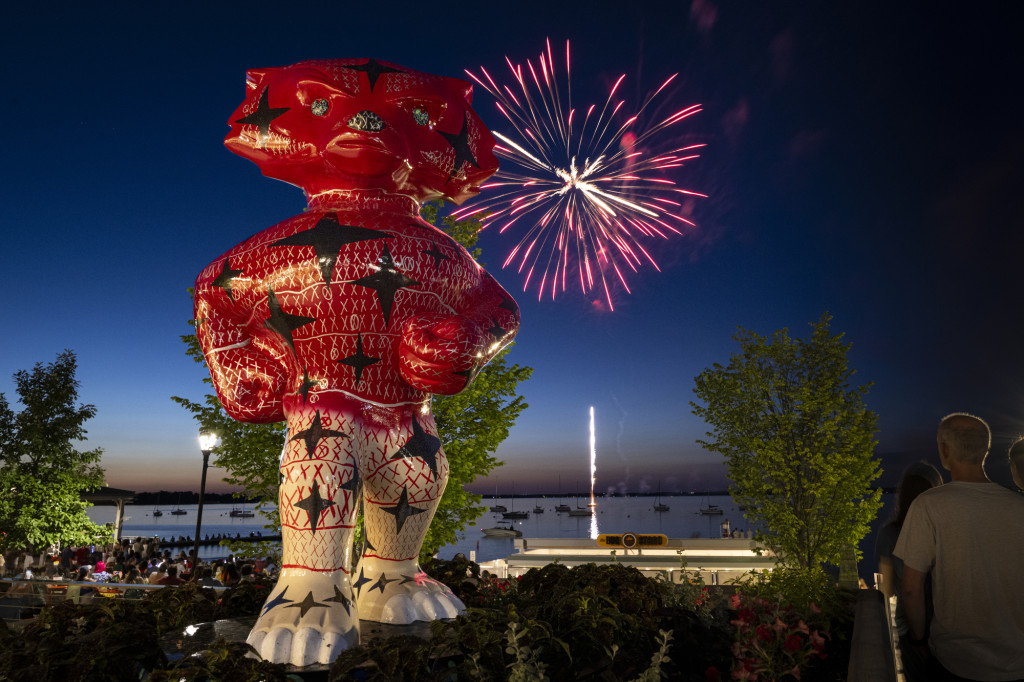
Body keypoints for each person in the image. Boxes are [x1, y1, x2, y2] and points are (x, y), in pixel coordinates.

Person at [894, 413, 1024, 681]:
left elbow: (910, 588)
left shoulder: (929, 505)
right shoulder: (1018, 507)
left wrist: (918, 641)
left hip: (956, 663)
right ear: (986, 450)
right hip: (1016, 663)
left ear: (944, 449)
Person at [875, 461, 943, 681]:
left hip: (908, 629)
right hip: (947, 628)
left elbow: (887, 588)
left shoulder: (888, 534)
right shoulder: (944, 533)